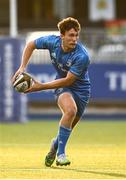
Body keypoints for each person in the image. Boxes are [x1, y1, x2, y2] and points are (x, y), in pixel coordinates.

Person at [12, 17, 91, 167]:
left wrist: (40, 86)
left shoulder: (82, 56)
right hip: (61, 84)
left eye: (76, 35)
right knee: (70, 110)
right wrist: (22, 67)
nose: (74, 39)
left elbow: (69, 81)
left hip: (81, 89)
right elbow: (30, 44)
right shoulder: (52, 42)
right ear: (62, 35)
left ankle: (55, 146)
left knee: (69, 126)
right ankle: (61, 154)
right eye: (71, 35)